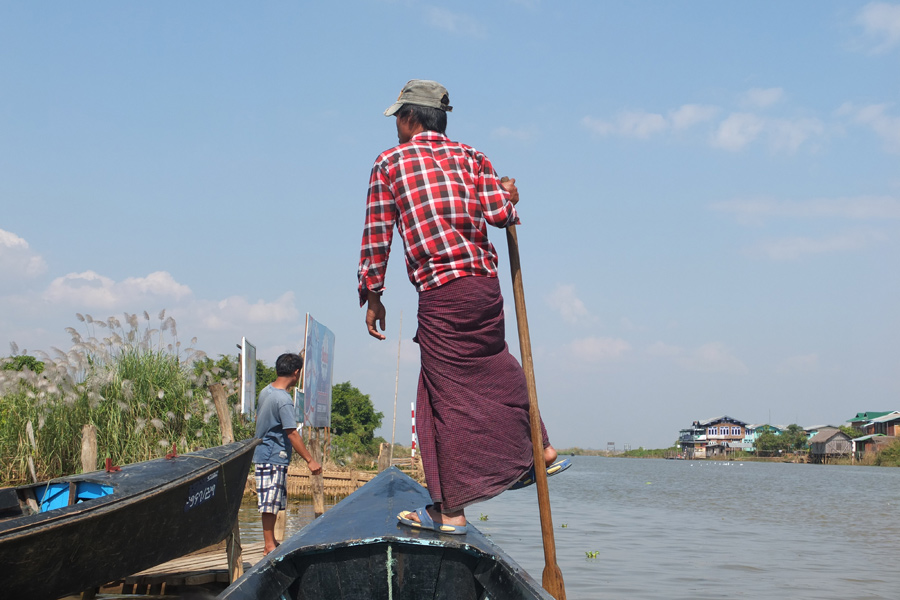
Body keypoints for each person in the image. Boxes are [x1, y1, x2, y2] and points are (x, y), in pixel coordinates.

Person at [357, 79, 569, 535]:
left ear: (410, 117)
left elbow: (378, 237)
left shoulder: (390, 162)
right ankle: (541, 447)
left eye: (398, 116)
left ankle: (448, 511)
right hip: (484, 288)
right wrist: (508, 191)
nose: (395, 125)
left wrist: (373, 296)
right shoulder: (472, 157)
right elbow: (501, 213)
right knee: (496, 364)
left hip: (442, 292)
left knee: (440, 399)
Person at [252, 352, 322, 554]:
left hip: (266, 452)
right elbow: (292, 433)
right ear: (296, 372)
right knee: (269, 501)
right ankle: (268, 545)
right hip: (272, 454)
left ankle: (271, 541)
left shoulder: (266, 391)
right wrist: (310, 460)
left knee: (273, 500)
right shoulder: (283, 400)